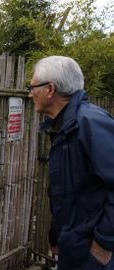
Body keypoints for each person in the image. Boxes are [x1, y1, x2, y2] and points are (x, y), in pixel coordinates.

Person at [29, 56, 114, 270]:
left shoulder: (90, 123)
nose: (30, 94)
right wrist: (57, 234)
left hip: (92, 253)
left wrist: (103, 244)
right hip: (74, 246)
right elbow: (71, 190)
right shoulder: (63, 126)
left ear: (50, 89)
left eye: (32, 87)